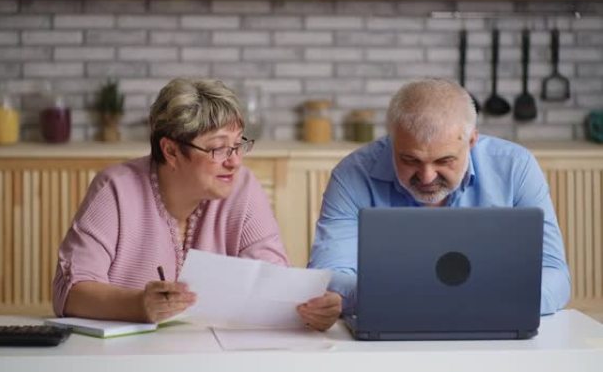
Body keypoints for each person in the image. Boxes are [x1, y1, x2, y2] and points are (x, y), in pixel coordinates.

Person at [53, 78, 340, 330]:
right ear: (171, 151)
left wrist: (312, 309)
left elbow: (274, 281)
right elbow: (71, 292)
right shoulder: (115, 188)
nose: (235, 160)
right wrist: (139, 305)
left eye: (238, 144)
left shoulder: (242, 186)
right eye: (218, 148)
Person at [309, 78, 571, 322]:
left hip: (491, 325)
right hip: (390, 331)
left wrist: (392, 297)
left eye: (444, 161)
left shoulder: (515, 167)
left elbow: (554, 274)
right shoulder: (353, 173)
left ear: (471, 141)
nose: (426, 177)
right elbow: (330, 274)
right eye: (410, 160)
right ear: (393, 140)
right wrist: (453, 298)